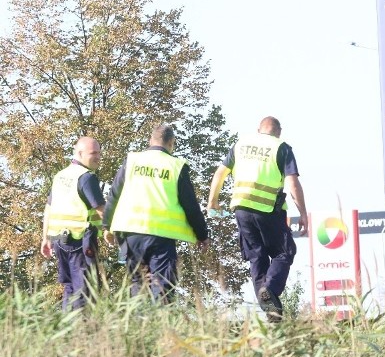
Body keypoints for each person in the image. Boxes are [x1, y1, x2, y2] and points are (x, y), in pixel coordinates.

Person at [207, 116, 307, 321]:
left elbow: (219, 174)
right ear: (279, 132)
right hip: (269, 210)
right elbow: (292, 184)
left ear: (259, 130)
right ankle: (269, 290)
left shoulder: (241, 144)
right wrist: (303, 213)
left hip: (241, 209)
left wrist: (212, 202)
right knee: (284, 252)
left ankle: (269, 308)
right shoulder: (282, 147)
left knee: (256, 256)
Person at [103, 124, 209, 303]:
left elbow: (114, 193)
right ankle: (161, 327)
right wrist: (202, 234)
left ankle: (138, 326)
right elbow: (190, 205)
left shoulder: (132, 160)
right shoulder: (176, 166)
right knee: (162, 286)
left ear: (150, 140)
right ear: (171, 143)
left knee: (137, 283)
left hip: (130, 234)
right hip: (161, 237)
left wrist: (107, 226)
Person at [41, 136, 105, 310]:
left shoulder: (61, 175)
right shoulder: (86, 177)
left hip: (60, 242)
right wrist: (114, 232)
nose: (99, 157)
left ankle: (67, 330)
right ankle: (81, 331)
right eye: (94, 153)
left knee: (70, 287)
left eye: (99, 153)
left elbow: (48, 208)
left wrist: (45, 238)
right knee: (85, 289)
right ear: (80, 153)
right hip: (79, 242)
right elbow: (101, 210)